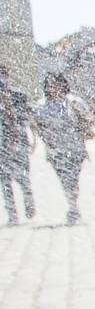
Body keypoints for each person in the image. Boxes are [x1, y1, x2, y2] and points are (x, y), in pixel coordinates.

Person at [31, 73, 93, 225]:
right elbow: (37, 125)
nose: (54, 88)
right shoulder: (42, 105)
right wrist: (45, 135)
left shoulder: (74, 101)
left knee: (73, 178)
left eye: (57, 84)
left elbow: (89, 119)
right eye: (51, 85)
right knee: (65, 179)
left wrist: (83, 121)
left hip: (75, 147)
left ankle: (73, 204)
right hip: (55, 149)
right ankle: (73, 206)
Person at [0, 66, 35, 226]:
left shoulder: (18, 96)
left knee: (23, 176)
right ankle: (12, 214)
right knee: (4, 180)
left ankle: (28, 200)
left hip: (18, 141)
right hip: (2, 144)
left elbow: (25, 117)